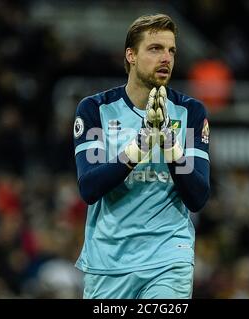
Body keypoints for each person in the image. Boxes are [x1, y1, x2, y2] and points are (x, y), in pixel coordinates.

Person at [73, 13, 210, 299]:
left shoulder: (190, 113)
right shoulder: (95, 109)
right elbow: (89, 187)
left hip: (169, 258)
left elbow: (197, 197)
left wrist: (171, 149)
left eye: (171, 50)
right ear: (131, 55)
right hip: (108, 262)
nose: (166, 58)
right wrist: (140, 146)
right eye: (155, 48)